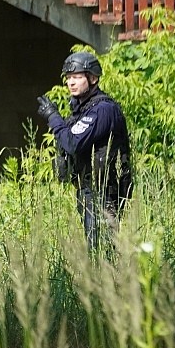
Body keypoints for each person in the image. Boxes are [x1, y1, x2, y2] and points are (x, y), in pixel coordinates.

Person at [36, 50, 134, 250]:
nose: (71, 82)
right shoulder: (83, 110)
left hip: (103, 192)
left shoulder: (102, 109)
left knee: (104, 254)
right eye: (69, 78)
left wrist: (53, 117)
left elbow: (72, 143)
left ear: (93, 78)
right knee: (95, 252)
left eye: (77, 77)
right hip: (88, 192)